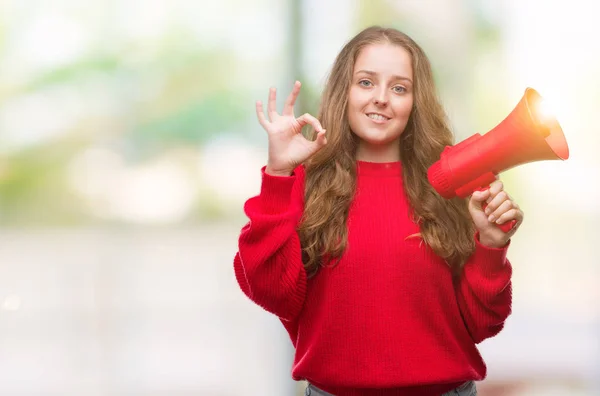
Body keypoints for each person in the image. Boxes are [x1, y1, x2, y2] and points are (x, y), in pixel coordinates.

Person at [233, 26, 524, 396]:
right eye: (366, 82)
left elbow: (483, 324)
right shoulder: (304, 183)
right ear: (345, 91)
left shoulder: (449, 186)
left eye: (399, 88)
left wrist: (491, 245)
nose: (382, 99)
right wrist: (278, 174)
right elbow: (273, 292)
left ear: (416, 102)